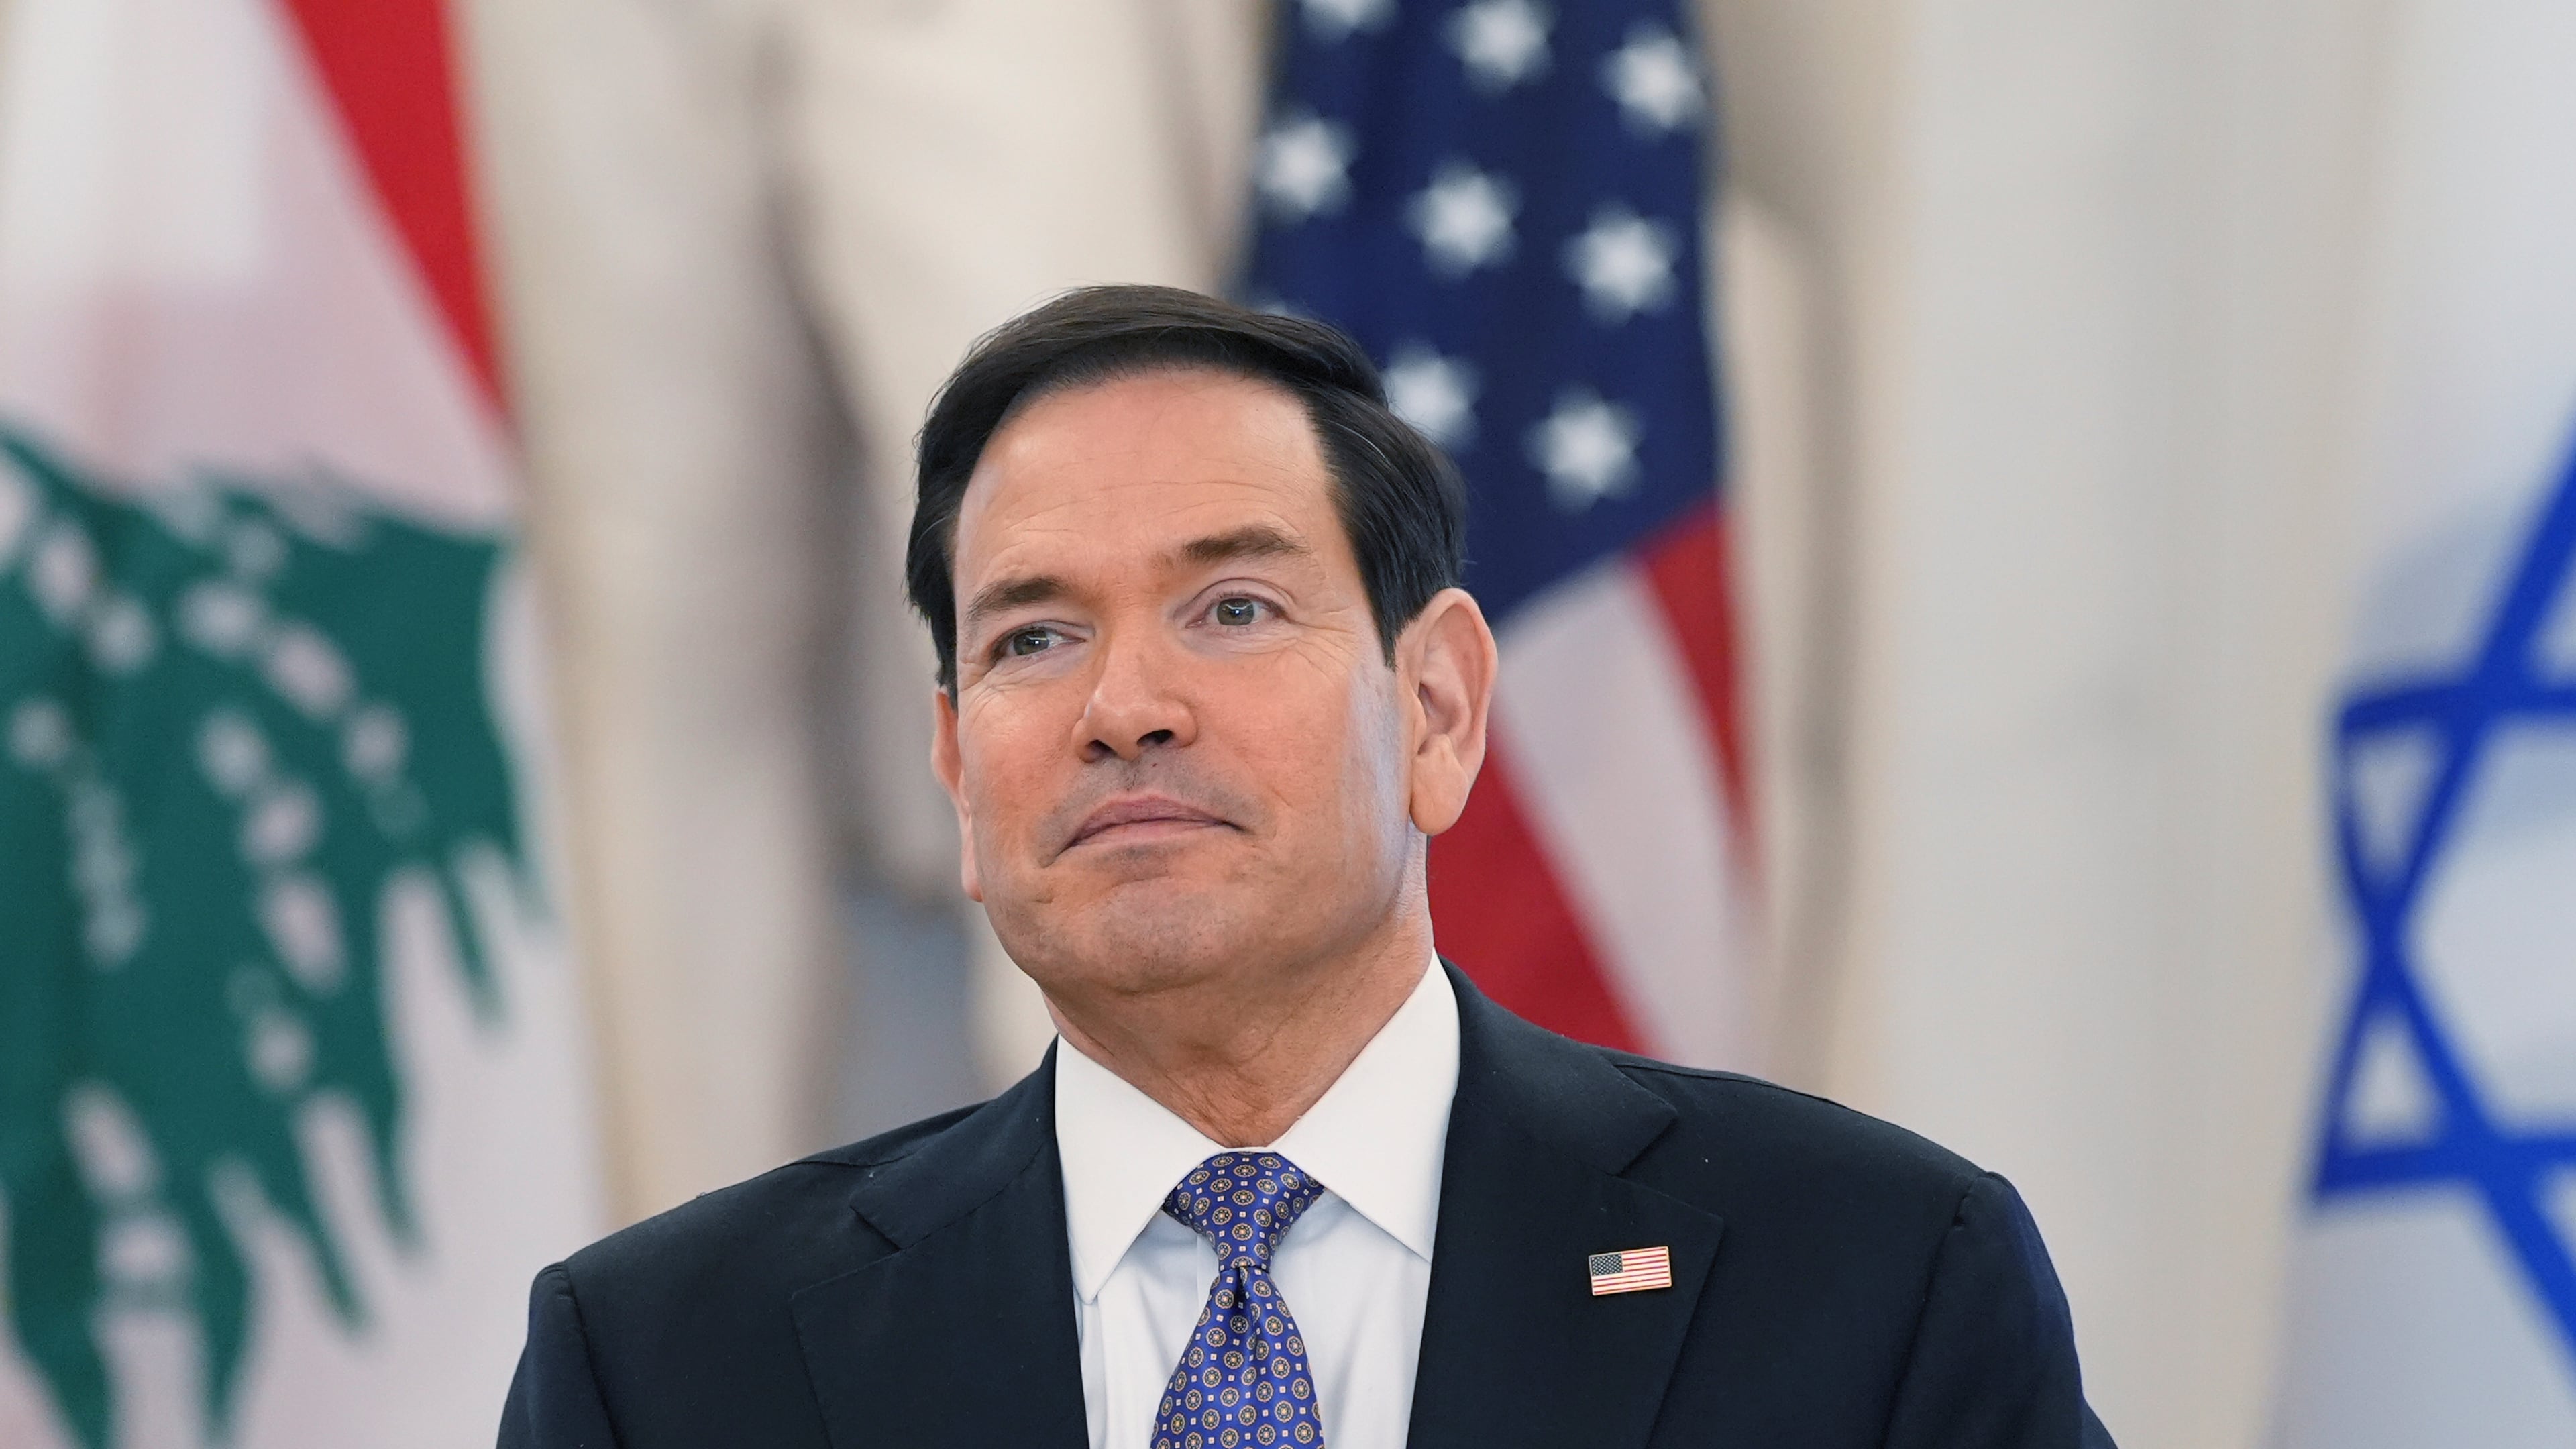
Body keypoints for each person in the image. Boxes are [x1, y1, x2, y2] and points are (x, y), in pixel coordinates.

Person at [498, 285, 2116, 1448]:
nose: (1125, 707)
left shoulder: (1870, 1278)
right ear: (958, 769)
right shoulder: (667, 1368)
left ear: (1438, 709)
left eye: (1234, 609)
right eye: (1034, 637)